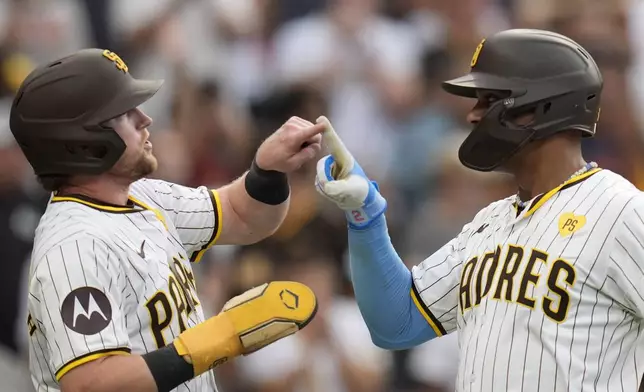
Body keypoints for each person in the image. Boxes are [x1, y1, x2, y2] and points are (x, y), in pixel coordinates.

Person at [315, 29, 644, 391]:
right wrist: (365, 216)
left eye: (489, 100)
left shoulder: (621, 211)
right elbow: (396, 322)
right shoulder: (488, 223)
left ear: (543, 106)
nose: (473, 115)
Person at [10, 48, 322, 392]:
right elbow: (92, 384)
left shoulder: (143, 195)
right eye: (124, 113)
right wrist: (221, 336)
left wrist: (269, 169)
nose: (145, 119)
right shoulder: (74, 246)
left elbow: (243, 215)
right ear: (84, 142)